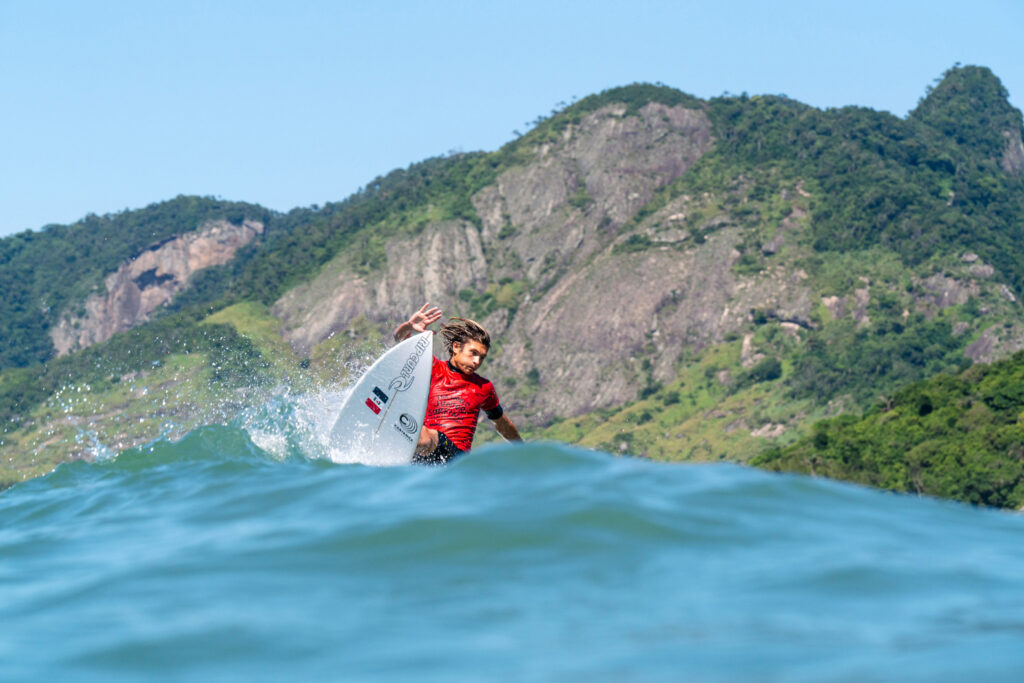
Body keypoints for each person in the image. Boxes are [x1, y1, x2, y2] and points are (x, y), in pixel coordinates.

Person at [393, 303, 521, 464]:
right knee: (414, 434)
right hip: (425, 455)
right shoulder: (432, 368)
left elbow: (502, 423)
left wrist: (523, 451)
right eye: (473, 353)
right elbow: (400, 341)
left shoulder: (483, 387)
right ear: (456, 347)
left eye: (481, 357)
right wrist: (408, 326)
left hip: (456, 457)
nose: (477, 361)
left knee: (419, 435)